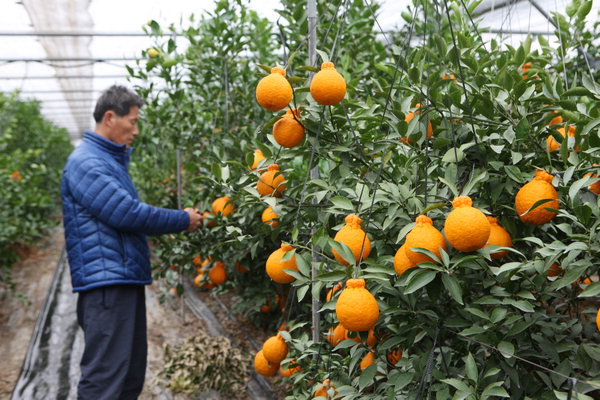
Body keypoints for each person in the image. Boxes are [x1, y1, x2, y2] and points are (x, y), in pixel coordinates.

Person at [60, 85, 202, 400]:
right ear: (110, 117)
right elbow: (126, 213)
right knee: (105, 379)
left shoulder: (106, 159)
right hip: (107, 286)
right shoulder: (87, 162)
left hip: (120, 278)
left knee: (129, 375)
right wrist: (182, 219)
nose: (136, 130)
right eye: (132, 122)